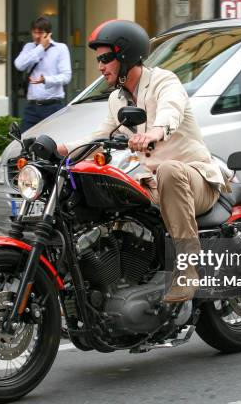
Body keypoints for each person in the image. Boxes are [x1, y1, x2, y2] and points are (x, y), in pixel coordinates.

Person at [57, 20, 230, 303]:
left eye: (105, 59)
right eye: (98, 60)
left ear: (124, 56)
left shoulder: (164, 81)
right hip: (152, 183)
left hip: (195, 179)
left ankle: (189, 268)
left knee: (169, 170)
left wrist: (155, 133)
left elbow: (170, 111)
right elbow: (99, 138)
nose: (100, 67)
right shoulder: (117, 99)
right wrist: (60, 149)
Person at [14, 16, 72, 132]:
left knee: (53, 140)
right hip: (32, 106)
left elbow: (66, 76)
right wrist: (40, 48)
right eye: (34, 32)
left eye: (40, 32)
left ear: (48, 33)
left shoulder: (60, 48)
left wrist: (46, 80)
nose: (36, 36)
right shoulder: (29, 47)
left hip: (53, 105)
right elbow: (19, 65)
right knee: (25, 140)